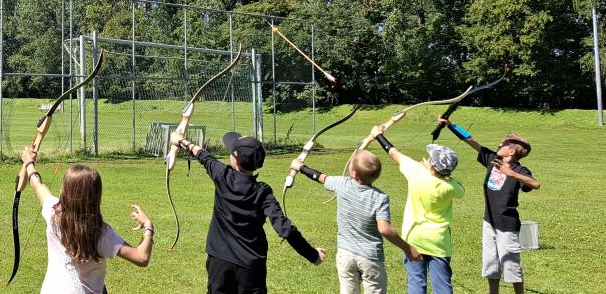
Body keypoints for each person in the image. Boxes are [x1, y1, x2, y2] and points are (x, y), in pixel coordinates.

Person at [171, 131, 326, 294]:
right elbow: (285, 229)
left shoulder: (222, 175)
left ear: (235, 159)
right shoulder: (263, 192)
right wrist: (313, 255)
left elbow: (202, 154)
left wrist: (180, 141)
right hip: (250, 268)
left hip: (219, 262)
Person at [19, 146, 154, 294]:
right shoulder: (101, 232)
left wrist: (29, 162)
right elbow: (141, 257)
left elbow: (37, 183)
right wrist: (148, 227)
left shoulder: (53, 213)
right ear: (95, 195)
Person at [290, 149, 422, 294]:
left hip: (345, 255)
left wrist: (300, 167)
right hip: (371, 259)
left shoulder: (341, 184)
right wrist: (407, 248)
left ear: (353, 173)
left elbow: (318, 176)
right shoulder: (380, 197)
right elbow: (384, 228)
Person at [437, 118, 540, 294]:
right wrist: (450, 125)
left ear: (511, 151)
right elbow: (470, 140)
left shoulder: (520, 170)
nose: (499, 144)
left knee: (511, 266)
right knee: (491, 264)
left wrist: (510, 173)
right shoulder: (493, 159)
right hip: (489, 222)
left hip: (507, 226)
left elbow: (535, 184)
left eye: (503, 143)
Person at [369, 125, 465, 294]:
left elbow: (393, 153)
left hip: (414, 238)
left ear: (432, 164)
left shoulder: (417, 172)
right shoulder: (451, 187)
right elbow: (461, 190)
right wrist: (441, 174)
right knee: (443, 285)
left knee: (416, 282)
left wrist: (378, 135)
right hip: (439, 242)